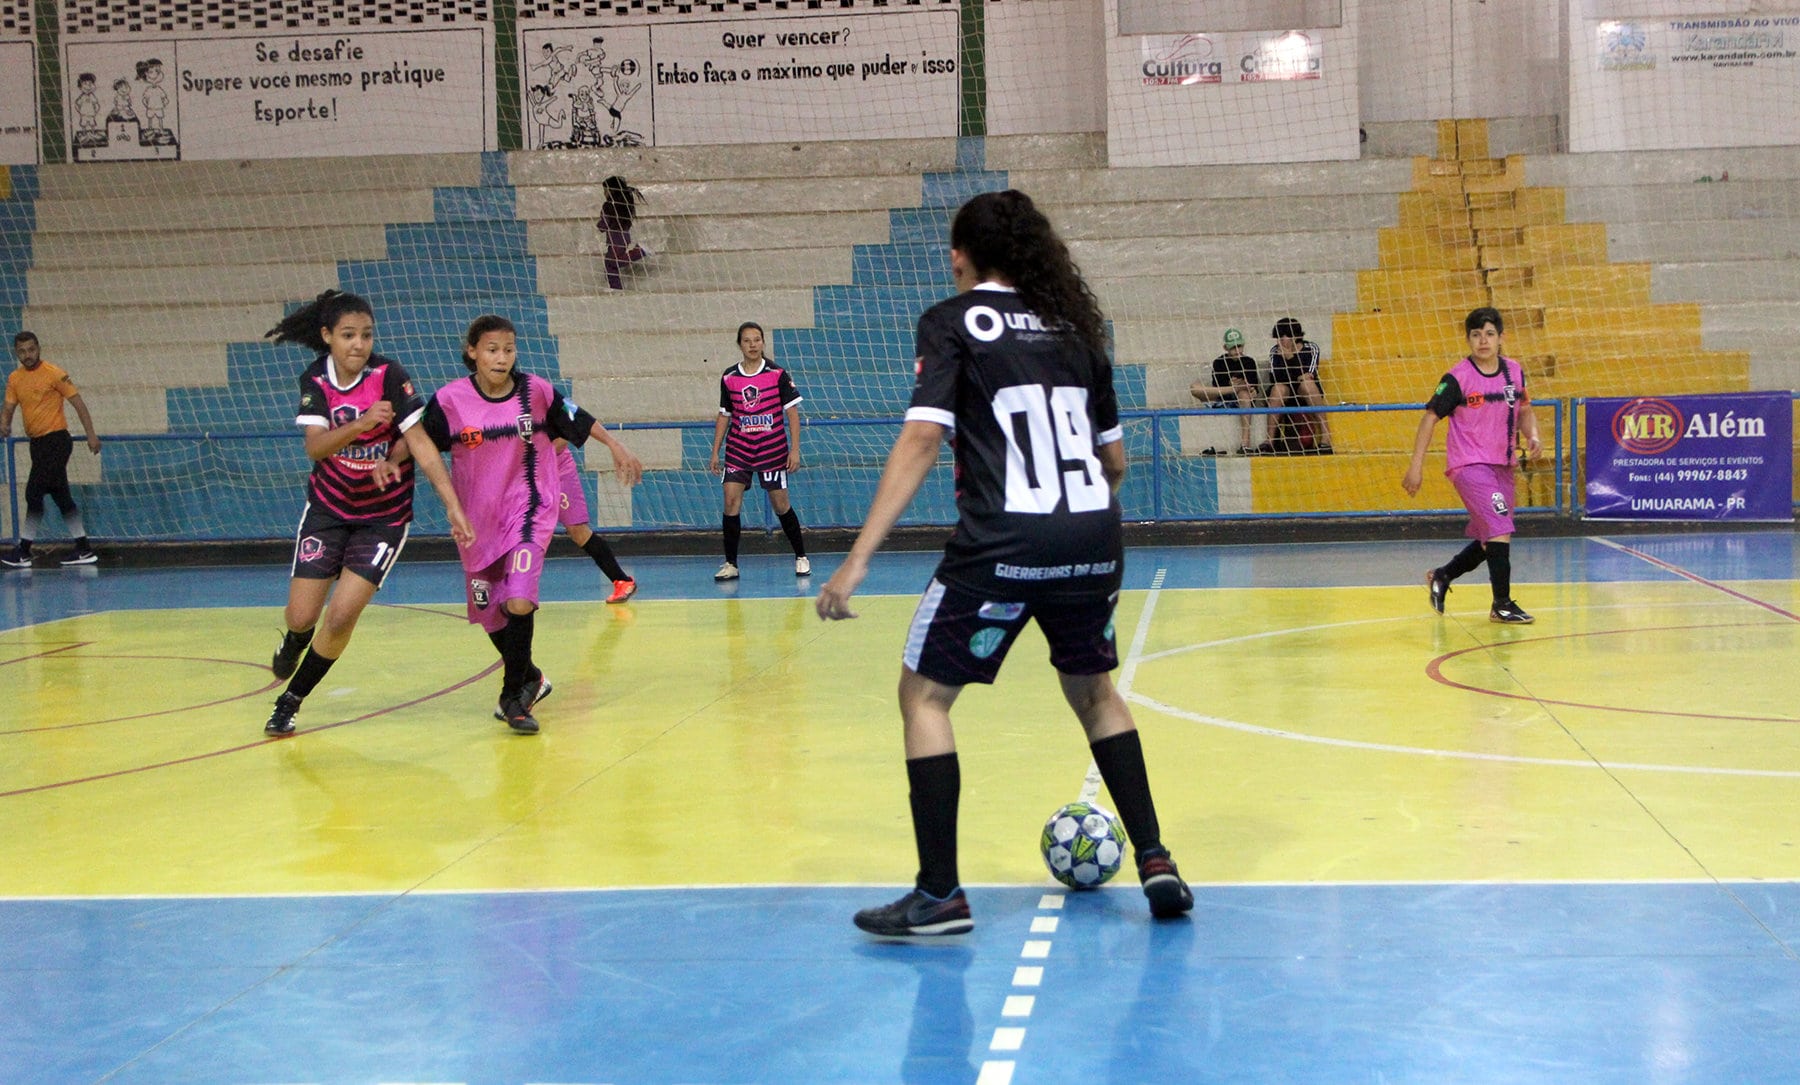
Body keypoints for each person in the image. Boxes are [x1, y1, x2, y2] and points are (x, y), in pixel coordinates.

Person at [815, 189, 1194, 937]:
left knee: (923, 697)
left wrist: (855, 560)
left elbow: (922, 442)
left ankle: (939, 895)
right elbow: (1112, 460)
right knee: (1095, 692)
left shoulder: (951, 322)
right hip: (1092, 538)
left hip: (1003, 543)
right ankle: (1156, 858)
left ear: (960, 255)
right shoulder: (1076, 328)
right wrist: (1075, 525)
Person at [261, 290, 474, 737]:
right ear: (328, 337)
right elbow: (316, 448)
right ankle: (296, 640)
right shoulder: (316, 380)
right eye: (348, 335)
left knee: (340, 616)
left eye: (366, 335)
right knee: (301, 616)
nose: (358, 344)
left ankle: (291, 700)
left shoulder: (389, 375)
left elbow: (419, 443)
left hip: (383, 516)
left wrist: (453, 505)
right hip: (328, 509)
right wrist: (360, 423)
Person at [419, 314, 644, 734]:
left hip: (529, 512)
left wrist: (615, 444)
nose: (501, 358)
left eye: (508, 349)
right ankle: (532, 678)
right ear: (472, 352)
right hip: (477, 522)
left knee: (519, 600)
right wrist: (381, 467)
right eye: (491, 349)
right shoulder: (450, 401)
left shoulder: (536, 391)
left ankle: (512, 698)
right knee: (490, 612)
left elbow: (578, 417)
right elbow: (418, 444)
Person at [1402, 305, 1541, 625]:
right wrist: (1416, 466)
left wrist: (1533, 435)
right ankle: (1502, 604)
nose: (1483, 341)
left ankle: (1442, 575)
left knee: (1490, 540)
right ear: (1468, 339)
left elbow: (1524, 410)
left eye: (1489, 334)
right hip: (1469, 466)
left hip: (1503, 466)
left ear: (1501, 338)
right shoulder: (1457, 378)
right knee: (1500, 527)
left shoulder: (1514, 372)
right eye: (1476, 335)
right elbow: (1429, 419)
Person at [707, 321, 809, 581]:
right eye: (747, 341)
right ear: (740, 344)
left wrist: (794, 450)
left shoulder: (777, 374)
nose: (753, 345)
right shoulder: (729, 377)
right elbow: (724, 415)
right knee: (730, 499)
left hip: (772, 448)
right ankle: (731, 563)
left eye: (757, 340)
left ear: (763, 343)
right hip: (739, 448)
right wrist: (715, 451)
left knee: (780, 504)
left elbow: (793, 414)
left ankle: (801, 556)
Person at [2, 332, 102, 568]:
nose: (28, 355)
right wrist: (4, 423)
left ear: (39, 348)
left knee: (33, 493)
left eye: (31, 349)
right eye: (22, 351)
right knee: (61, 496)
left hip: (57, 442)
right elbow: (8, 406)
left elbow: (78, 404)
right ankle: (84, 548)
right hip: (37, 444)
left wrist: (91, 435)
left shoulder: (54, 373)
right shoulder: (15, 378)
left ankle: (24, 551)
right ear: (17, 352)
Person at [553, 438, 637, 603]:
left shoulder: (562, 411)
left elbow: (566, 433)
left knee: (578, 531)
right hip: (525, 474)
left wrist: (614, 444)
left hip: (557, 470)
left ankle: (621, 580)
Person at [1188, 327, 1260, 454]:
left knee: (1244, 394)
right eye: (1233, 348)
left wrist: (1243, 387)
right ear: (1225, 348)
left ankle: (1245, 444)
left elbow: (1253, 389)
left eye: (1239, 346)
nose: (1237, 350)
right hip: (1222, 398)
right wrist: (1232, 387)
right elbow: (1217, 389)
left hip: (1242, 401)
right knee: (1195, 386)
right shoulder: (1219, 362)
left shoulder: (1249, 362)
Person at [1265, 316, 1332, 454]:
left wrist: (1290, 358)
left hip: (1305, 392)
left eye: (1284, 337)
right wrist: (1299, 374)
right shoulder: (1275, 351)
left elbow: (1310, 373)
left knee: (1307, 385)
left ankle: (1326, 437)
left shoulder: (1311, 348)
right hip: (1287, 391)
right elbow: (1276, 377)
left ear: (1295, 336)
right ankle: (1269, 441)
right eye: (1278, 337)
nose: (1280, 341)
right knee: (1278, 389)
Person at [597, 175, 650, 290]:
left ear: (611, 190)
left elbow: (605, 222)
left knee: (614, 262)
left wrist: (600, 226)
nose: (604, 193)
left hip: (616, 238)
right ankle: (615, 287)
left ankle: (639, 251)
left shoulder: (608, 206)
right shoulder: (622, 206)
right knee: (609, 262)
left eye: (605, 190)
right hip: (623, 236)